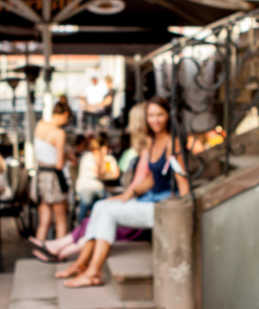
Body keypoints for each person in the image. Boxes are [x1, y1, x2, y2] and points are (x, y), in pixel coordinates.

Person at [57, 97, 189, 287]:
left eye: (160, 114)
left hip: (163, 206)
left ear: (168, 116)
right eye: (151, 115)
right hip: (148, 199)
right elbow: (151, 180)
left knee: (107, 212)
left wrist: (185, 214)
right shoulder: (152, 141)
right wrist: (126, 196)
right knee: (101, 205)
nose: (155, 119)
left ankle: (92, 272)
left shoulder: (172, 143)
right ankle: (81, 264)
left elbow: (181, 180)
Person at [31, 101, 72, 241]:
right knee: (61, 220)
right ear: (63, 115)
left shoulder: (40, 125)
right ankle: (59, 253)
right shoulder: (59, 133)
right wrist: (68, 155)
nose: (66, 122)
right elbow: (59, 164)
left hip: (40, 177)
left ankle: (38, 249)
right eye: (67, 118)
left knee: (44, 220)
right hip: (54, 178)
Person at [74, 133, 120, 222]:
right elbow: (101, 174)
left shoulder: (107, 159)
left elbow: (114, 173)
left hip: (101, 188)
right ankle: (80, 223)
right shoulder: (88, 157)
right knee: (87, 200)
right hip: (86, 187)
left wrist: (102, 160)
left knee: (108, 202)